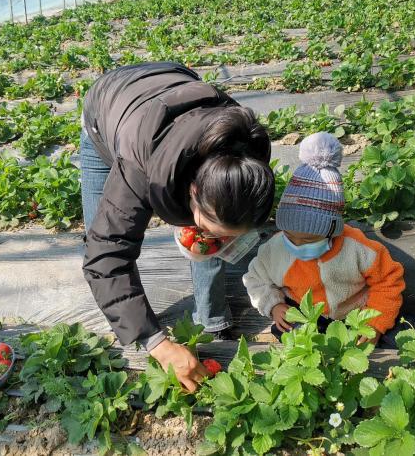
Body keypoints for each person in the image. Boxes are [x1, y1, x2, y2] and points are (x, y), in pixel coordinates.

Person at [80, 62, 275, 391]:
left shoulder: (246, 156)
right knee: (100, 233)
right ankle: (130, 325)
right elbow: (105, 258)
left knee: (212, 229)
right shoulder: (138, 166)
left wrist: (215, 231)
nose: (220, 239)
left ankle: (211, 320)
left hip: (171, 87)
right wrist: (157, 343)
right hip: (108, 109)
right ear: (193, 192)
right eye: (211, 228)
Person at [242, 132, 405, 345]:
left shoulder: (357, 248)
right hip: (309, 315)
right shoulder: (274, 250)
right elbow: (255, 279)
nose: (297, 245)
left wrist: (375, 323)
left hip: (355, 314)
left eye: (309, 240)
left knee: (397, 335)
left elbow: (388, 282)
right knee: (291, 331)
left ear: (332, 231)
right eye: (289, 236)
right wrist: (273, 305)